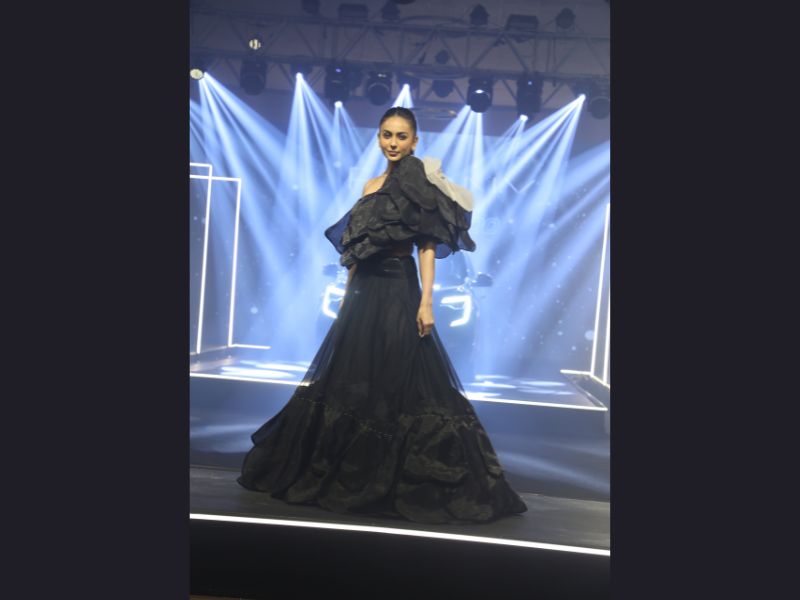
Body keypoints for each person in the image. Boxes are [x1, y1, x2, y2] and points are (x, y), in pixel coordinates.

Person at [237, 107, 527, 524]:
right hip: (364, 292)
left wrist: (426, 302)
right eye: (387, 135)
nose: (393, 142)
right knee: (353, 377)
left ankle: (396, 476)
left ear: (415, 141)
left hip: (398, 287)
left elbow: (427, 247)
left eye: (401, 136)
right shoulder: (370, 186)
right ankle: (352, 470)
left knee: (398, 375)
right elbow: (358, 247)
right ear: (378, 138)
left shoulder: (421, 185)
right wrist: (346, 295)